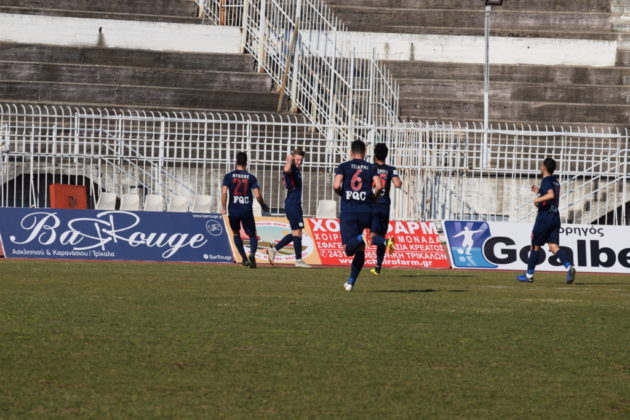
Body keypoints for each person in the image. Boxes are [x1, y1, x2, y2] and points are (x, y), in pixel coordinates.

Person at [333, 139, 393, 291]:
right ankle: (350, 282)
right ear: (365, 152)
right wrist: (374, 197)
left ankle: (361, 237)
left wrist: (341, 193)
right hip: (366, 211)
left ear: (351, 152)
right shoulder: (371, 167)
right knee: (360, 250)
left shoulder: (344, 166)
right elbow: (379, 186)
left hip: (349, 211)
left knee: (348, 250)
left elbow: (336, 185)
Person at [517, 158, 576, 284]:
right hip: (555, 217)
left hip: (545, 217)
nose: (540, 167)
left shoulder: (546, 180)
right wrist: (539, 192)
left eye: (541, 165)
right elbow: (550, 198)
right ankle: (569, 267)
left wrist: (536, 200)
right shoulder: (555, 181)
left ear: (544, 168)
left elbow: (550, 195)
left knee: (535, 246)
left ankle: (529, 275)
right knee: (554, 247)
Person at [221, 152, 270, 269]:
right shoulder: (251, 178)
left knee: (236, 233)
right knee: (252, 234)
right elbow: (257, 195)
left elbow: (224, 192)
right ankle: (252, 254)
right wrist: (263, 205)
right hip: (246, 210)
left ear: (236, 162)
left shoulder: (228, 176)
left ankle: (244, 258)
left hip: (233, 210)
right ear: (246, 164)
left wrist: (223, 208)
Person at [267, 149, 311, 268]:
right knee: (297, 231)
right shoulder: (290, 169)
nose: (299, 162)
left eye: (301, 160)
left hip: (295, 204)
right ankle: (298, 260)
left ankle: (274, 250)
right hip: (292, 204)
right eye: (297, 160)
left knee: (296, 232)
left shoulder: (296, 170)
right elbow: (286, 169)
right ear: (293, 158)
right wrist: (289, 159)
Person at [369, 143, 401, 276]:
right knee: (381, 235)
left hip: (374, 204)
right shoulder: (391, 169)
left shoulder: (371, 168)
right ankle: (377, 267)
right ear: (386, 155)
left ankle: (387, 242)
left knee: (372, 238)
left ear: (375, 155)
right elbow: (398, 184)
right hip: (385, 206)